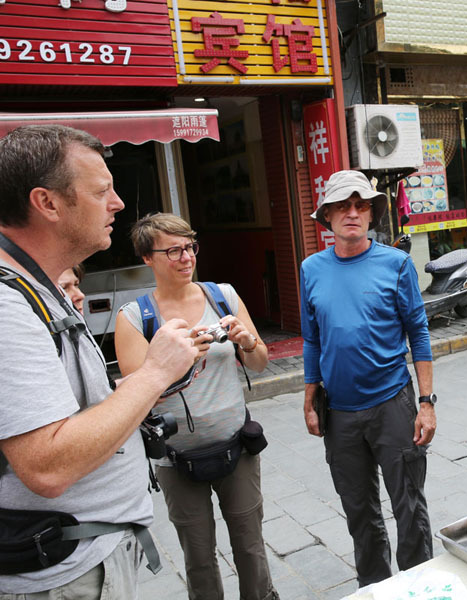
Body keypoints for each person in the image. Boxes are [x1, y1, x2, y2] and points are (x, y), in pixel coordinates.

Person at [0, 125, 199, 597]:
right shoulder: (7, 304)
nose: (118, 204)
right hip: (63, 573)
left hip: (85, 554)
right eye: (101, 191)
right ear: (47, 203)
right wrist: (153, 373)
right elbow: (46, 465)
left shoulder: (38, 285)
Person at [114, 213, 278, 600]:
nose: (186, 257)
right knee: (199, 556)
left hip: (236, 447)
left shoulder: (222, 295)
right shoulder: (136, 318)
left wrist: (248, 342)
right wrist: (176, 362)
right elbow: (136, 399)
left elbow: (260, 362)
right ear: (147, 259)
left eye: (190, 246)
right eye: (172, 250)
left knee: (251, 548)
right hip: (176, 459)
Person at [300, 170, 436, 587]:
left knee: (408, 506)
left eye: (361, 205)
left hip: (393, 403)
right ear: (327, 216)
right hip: (339, 413)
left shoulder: (395, 264)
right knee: (359, 511)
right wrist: (309, 399)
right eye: (343, 206)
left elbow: (419, 332)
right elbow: (312, 339)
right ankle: (375, 588)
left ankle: (418, 587)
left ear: (372, 213)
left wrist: (427, 403)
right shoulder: (312, 268)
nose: (353, 213)